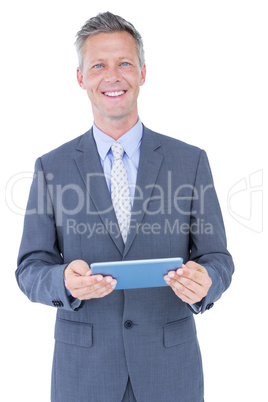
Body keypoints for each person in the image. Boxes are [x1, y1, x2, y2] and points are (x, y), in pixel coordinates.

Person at [16, 11, 234, 402]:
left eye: (124, 63)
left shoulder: (190, 161)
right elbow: (30, 267)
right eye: (98, 65)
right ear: (81, 77)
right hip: (85, 375)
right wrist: (63, 280)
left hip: (170, 372)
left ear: (143, 73)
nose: (112, 76)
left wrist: (208, 282)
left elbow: (217, 256)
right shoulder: (52, 167)